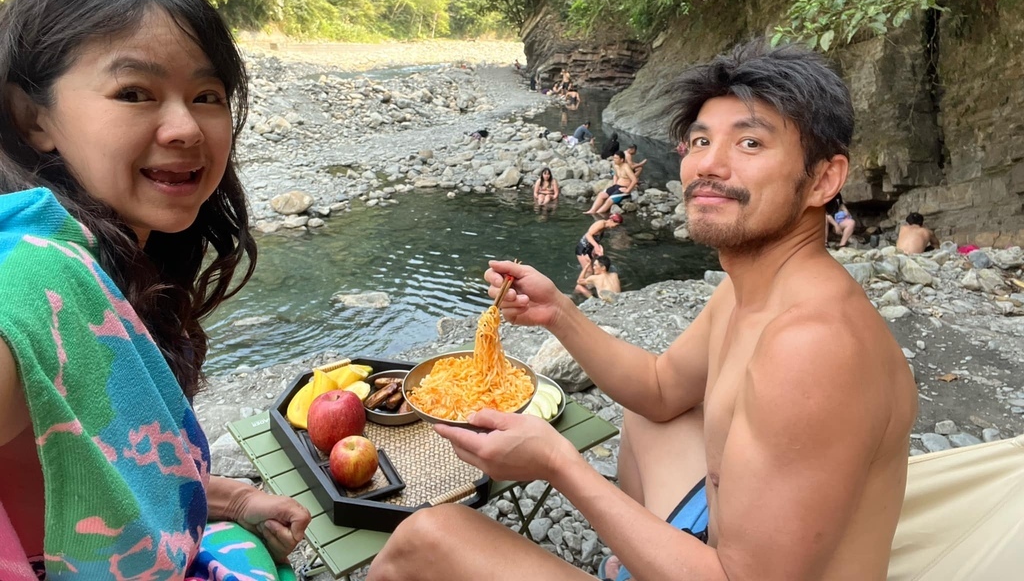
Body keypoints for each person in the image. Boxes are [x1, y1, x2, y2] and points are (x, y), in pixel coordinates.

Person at [367, 39, 917, 581]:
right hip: (730, 547)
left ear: (824, 179)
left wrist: (559, 465)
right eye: (700, 141)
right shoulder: (754, 289)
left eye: (749, 144)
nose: (710, 165)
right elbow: (659, 389)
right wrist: (558, 310)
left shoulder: (812, 346)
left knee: (427, 537)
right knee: (656, 418)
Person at [0, 0, 310, 578]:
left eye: (207, 96)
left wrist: (235, 499)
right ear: (34, 118)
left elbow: (100, 463)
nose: (187, 128)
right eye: (135, 93)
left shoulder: (119, 265)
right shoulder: (31, 276)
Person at [584, 150, 638, 215]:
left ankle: (598, 213)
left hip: (624, 188)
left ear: (622, 160)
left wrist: (628, 190)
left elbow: (634, 180)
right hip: (616, 186)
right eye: (614, 158)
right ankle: (592, 211)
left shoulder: (626, 167)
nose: (614, 160)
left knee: (610, 199)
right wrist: (614, 184)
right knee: (601, 195)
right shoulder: (616, 166)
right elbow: (615, 175)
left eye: (616, 158)